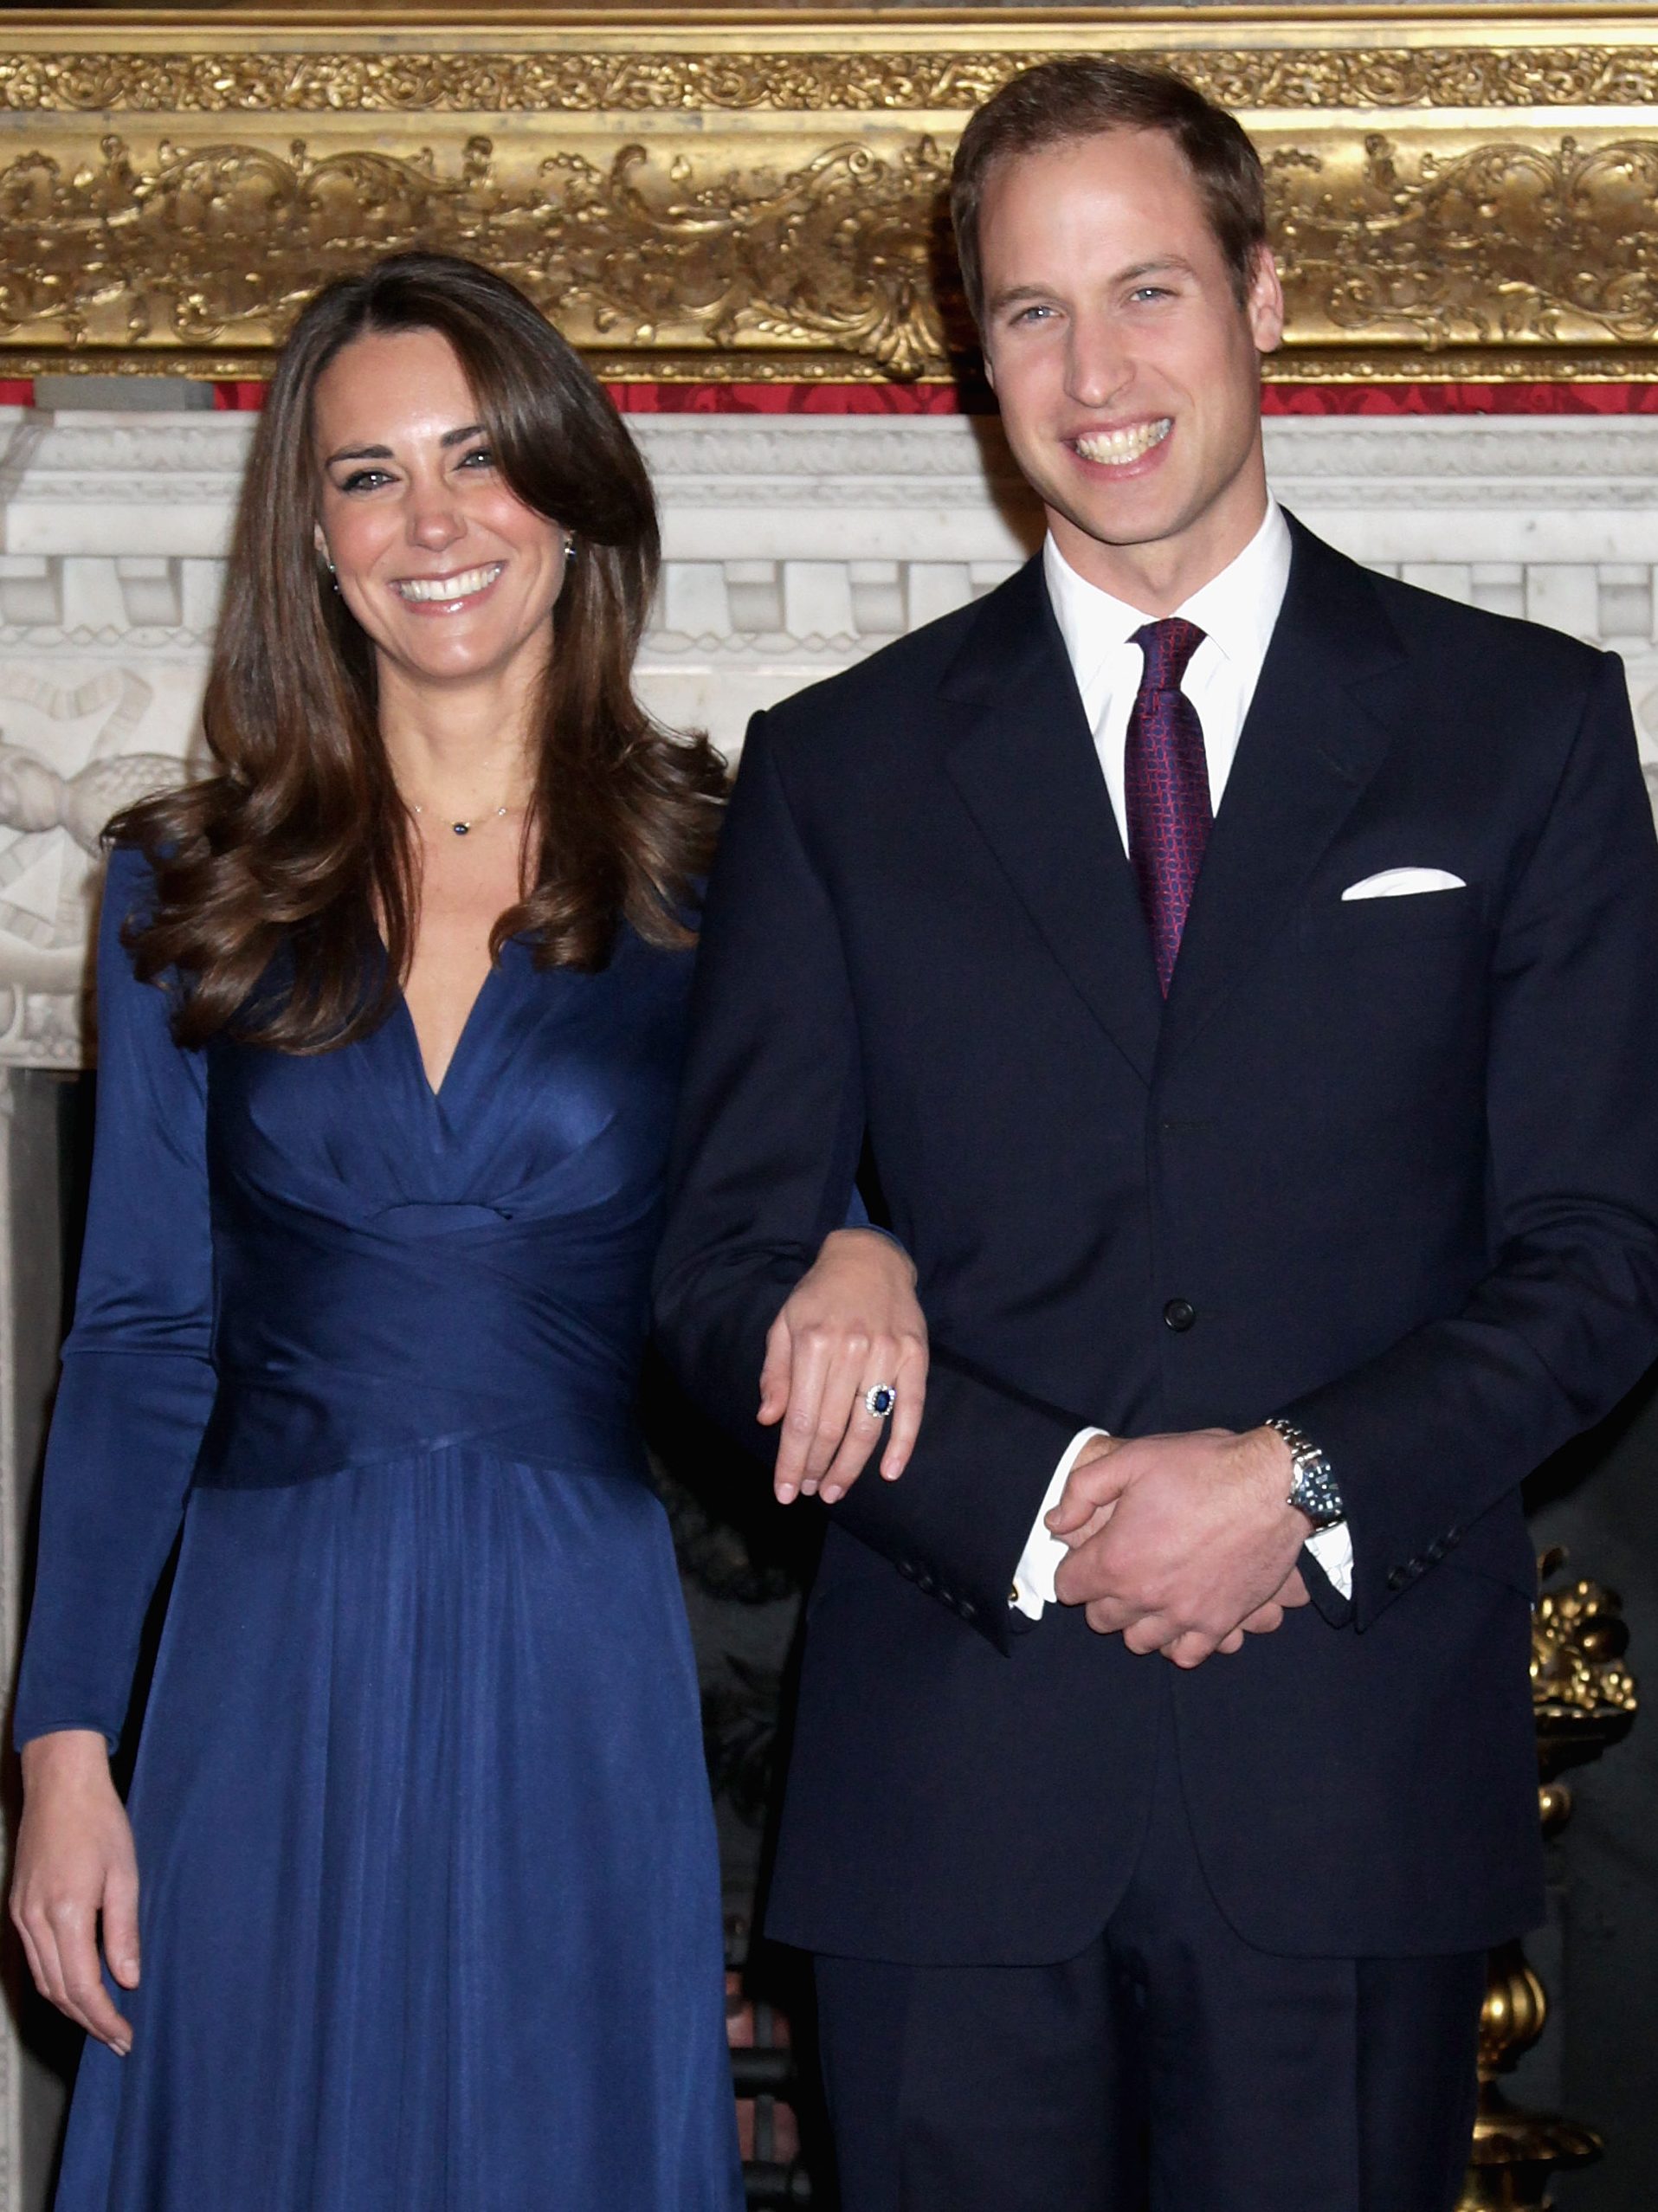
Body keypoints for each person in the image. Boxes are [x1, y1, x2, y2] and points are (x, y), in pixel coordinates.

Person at [653, 58, 1658, 2212]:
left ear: (1264, 300)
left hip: (1346, 1782)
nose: (1093, 373)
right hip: (951, 1794)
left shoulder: (1527, 731)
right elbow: (718, 1269)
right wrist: (1047, 1500)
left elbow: (1602, 1254)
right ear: (974, 354)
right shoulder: (833, 772)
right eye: (1029, 311)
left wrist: (1285, 1490)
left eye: (1147, 293)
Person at [9, 250, 926, 2212]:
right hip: (260, 1649)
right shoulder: (187, 883)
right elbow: (141, 1332)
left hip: (565, 1632)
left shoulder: (728, 866)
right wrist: (65, 1748)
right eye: (368, 478)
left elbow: (819, 1212)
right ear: (314, 542)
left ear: (570, 496)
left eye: (479, 461)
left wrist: (870, 1249)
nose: (434, 525)